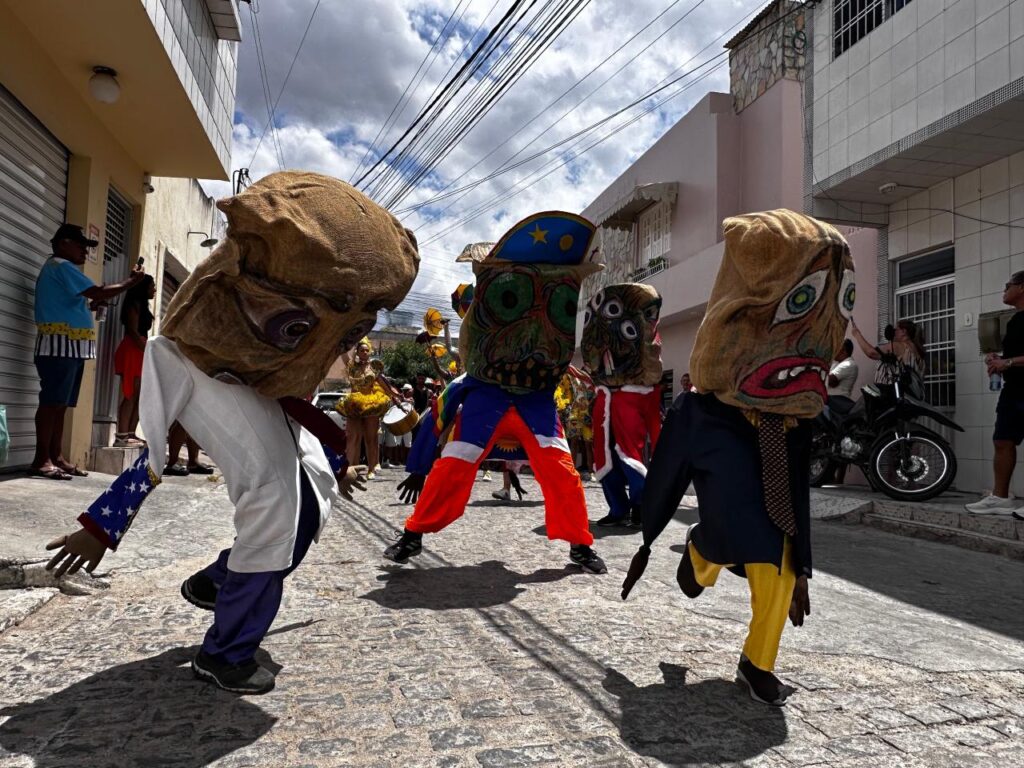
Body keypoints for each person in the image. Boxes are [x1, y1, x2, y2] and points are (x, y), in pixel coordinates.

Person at [43, 172, 417, 694]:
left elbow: (294, 416)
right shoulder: (180, 354)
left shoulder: (269, 363)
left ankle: (220, 581)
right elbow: (152, 445)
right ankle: (224, 654)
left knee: (312, 502)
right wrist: (102, 524)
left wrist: (334, 463)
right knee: (277, 511)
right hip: (222, 403)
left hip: (266, 410)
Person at [622, 210, 853, 706]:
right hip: (726, 490)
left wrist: (803, 566)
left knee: (779, 567)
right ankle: (701, 553)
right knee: (727, 538)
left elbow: (795, 495)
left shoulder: (796, 418)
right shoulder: (702, 411)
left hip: (775, 505)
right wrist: (647, 536)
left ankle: (757, 663)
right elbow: (668, 470)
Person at [386, 212, 607, 574]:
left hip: (535, 404)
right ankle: (412, 534)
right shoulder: (475, 351)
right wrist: (419, 467)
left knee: (562, 473)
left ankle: (580, 545)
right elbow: (439, 413)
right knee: (452, 468)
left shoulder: (546, 326)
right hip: (485, 401)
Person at [31, 223, 145, 480]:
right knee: (52, 402)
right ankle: (41, 459)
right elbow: (97, 291)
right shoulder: (61, 266)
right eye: (81, 245)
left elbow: (74, 302)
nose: (85, 250)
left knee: (61, 404)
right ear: (63, 244)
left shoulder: (61, 270)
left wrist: (90, 307)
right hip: (59, 345)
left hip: (70, 346)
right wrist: (130, 281)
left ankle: (55, 456)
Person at [582, 283, 664, 528]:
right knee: (603, 458)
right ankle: (618, 508)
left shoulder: (646, 342)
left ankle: (640, 505)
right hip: (606, 399)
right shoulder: (599, 336)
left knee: (630, 454)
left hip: (631, 397)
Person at [966, 272, 1024, 517]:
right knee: (1002, 440)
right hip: (1013, 390)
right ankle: (1000, 498)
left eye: (1007, 286)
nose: (1004, 291)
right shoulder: (1014, 321)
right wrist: (997, 361)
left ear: (1022, 287)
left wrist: (1007, 363)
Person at [339, 339, 401, 479]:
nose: (365, 352)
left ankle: (371, 468)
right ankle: (351, 468)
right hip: (354, 403)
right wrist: (346, 339)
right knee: (352, 438)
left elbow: (385, 385)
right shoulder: (352, 366)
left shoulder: (374, 367)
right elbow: (343, 353)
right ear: (358, 352)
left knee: (371, 438)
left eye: (367, 350)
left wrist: (396, 397)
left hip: (371, 404)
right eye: (362, 350)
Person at [113, 274, 156, 447]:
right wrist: (149, 352)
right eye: (152, 285)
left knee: (140, 395)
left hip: (141, 349)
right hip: (133, 349)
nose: (154, 289)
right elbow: (132, 331)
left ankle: (131, 433)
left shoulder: (143, 306)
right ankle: (121, 436)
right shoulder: (133, 305)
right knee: (130, 393)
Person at [849, 317, 924, 394]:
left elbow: (871, 353)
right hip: (907, 398)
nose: (894, 332)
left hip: (891, 397)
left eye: (896, 330)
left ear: (903, 332)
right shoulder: (918, 352)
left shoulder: (899, 346)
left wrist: (857, 334)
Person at [826, 339, 859, 408]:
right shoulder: (837, 362)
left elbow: (831, 381)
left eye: (836, 347)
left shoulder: (849, 364)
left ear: (844, 352)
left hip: (837, 403)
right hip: (830, 401)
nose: (833, 350)